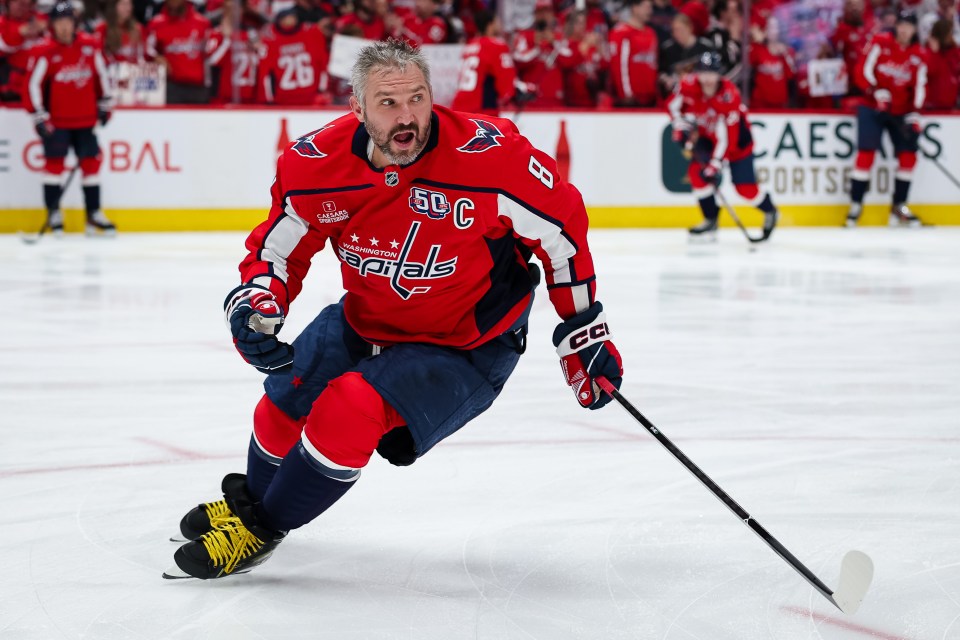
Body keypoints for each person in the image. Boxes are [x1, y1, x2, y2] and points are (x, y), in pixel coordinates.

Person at [162, 38, 624, 581]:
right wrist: (260, 299)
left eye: (418, 99)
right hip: (367, 318)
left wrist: (582, 332)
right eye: (388, 103)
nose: (407, 118)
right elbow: (280, 248)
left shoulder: (492, 158)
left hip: (464, 342)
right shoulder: (315, 164)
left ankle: (261, 528)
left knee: (349, 406)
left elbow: (562, 232)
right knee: (280, 406)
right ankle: (254, 506)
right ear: (357, 108)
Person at [22, 1, 115, 236]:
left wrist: (105, 105)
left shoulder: (90, 46)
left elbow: (103, 77)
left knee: (91, 166)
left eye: (68, 22)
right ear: (53, 25)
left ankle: (93, 214)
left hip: (85, 120)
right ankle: (54, 214)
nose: (64, 27)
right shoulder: (45, 50)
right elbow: (31, 86)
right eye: (59, 22)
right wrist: (39, 117)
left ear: (75, 23)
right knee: (54, 168)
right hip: (59, 123)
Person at [667, 51, 779, 242]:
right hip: (709, 138)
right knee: (697, 174)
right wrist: (680, 124)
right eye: (703, 72)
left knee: (745, 190)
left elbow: (728, 137)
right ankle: (710, 219)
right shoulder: (687, 85)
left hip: (737, 145)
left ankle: (770, 211)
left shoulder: (729, 96)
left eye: (712, 73)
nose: (707, 78)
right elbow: (673, 107)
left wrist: (716, 164)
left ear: (720, 74)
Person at [847, 11, 927, 227]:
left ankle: (899, 205)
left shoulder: (919, 54)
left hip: (899, 112)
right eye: (901, 24)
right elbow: (862, 71)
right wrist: (875, 90)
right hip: (873, 107)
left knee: (908, 156)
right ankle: (855, 206)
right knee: (866, 155)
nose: (903, 29)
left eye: (908, 26)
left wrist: (915, 114)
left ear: (914, 29)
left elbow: (919, 88)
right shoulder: (880, 41)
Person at [450, 9, 517, 115]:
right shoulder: (496, 46)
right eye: (497, 22)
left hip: (458, 107)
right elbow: (506, 79)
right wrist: (510, 97)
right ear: (490, 24)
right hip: (481, 110)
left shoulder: (469, 46)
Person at [145, 0, 213, 104]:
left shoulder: (202, 23)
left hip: (198, 87)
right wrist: (157, 57)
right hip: (172, 87)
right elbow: (147, 49)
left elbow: (211, 51)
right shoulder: (157, 24)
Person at [258, 8, 329, 105]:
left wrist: (322, 89)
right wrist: (268, 100)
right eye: (286, 17)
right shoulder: (270, 40)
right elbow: (265, 74)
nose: (290, 20)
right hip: (283, 100)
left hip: (311, 97)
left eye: (292, 17)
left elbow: (323, 62)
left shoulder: (312, 33)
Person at [608, 0, 658, 107]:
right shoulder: (622, 32)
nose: (650, 11)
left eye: (650, 7)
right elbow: (619, 66)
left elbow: (653, 64)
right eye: (646, 7)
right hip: (631, 99)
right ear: (635, 8)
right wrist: (626, 94)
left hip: (650, 98)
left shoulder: (651, 33)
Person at [0, 0, 47, 102]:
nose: (22, 7)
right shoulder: (3, 22)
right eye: (18, 3)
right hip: (9, 92)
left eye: (27, 4)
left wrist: (47, 26)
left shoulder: (39, 19)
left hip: (38, 87)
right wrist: (19, 32)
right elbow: (7, 44)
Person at [924, 18, 960, 109]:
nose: (950, 37)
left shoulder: (956, 52)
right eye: (949, 33)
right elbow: (930, 72)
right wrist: (934, 52)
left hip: (952, 105)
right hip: (931, 105)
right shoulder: (928, 52)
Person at [95, 0, 144, 64]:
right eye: (124, 4)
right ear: (114, 6)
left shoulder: (138, 28)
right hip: (111, 71)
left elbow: (142, 55)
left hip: (133, 70)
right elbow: (98, 56)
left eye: (130, 4)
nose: (128, 8)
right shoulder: (102, 28)